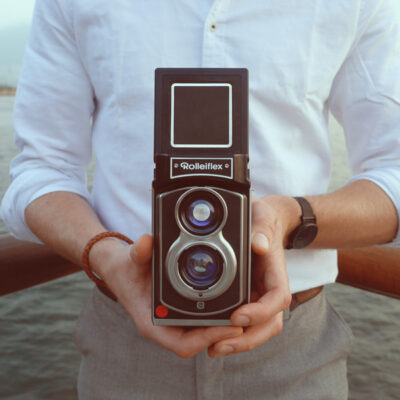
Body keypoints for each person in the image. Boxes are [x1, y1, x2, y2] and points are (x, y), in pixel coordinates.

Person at [1, 0, 400, 399]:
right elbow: (42, 169)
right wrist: (107, 257)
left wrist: (291, 218)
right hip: (125, 334)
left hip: (295, 349)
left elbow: (394, 176)